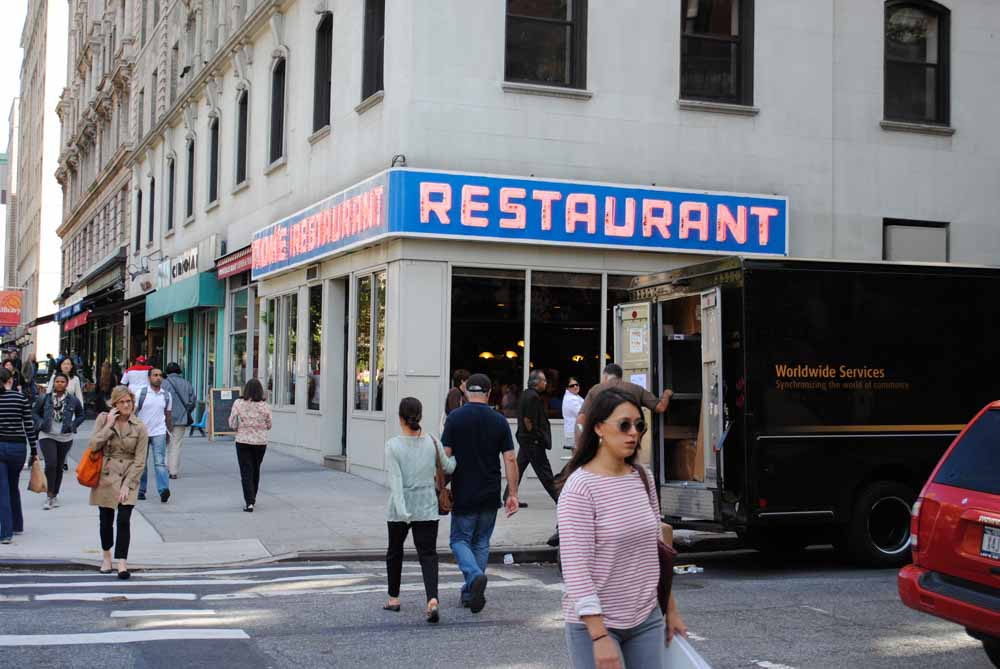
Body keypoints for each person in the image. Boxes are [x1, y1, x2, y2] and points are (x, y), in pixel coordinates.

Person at [558, 388, 688, 668]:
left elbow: (655, 552)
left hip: (646, 618)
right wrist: (599, 635)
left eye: (639, 425)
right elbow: (576, 569)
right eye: (624, 425)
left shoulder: (642, 477)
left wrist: (670, 609)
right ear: (599, 428)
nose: (633, 433)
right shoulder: (580, 489)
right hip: (596, 624)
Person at [441, 373, 519, 613]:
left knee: (459, 540)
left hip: (464, 489)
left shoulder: (454, 418)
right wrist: (512, 493)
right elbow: (510, 458)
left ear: (467, 392)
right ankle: (470, 592)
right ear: (488, 393)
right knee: (481, 542)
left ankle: (474, 576)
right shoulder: (499, 420)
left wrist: (442, 487)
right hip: (490, 490)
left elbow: (445, 456)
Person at [384, 397, 456, 624]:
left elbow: (395, 482)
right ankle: (432, 599)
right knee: (428, 555)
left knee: (395, 552)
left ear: (400, 418)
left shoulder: (393, 445)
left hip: (400, 508)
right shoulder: (432, 441)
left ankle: (393, 598)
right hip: (427, 505)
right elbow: (449, 466)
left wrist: (403, 512)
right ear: (420, 416)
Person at [89, 385, 148, 578]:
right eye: (122, 402)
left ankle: (122, 562)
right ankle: (106, 557)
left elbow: (140, 460)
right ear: (114, 404)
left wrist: (127, 484)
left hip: (129, 475)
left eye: (129, 401)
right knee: (105, 520)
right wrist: (108, 426)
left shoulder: (139, 426)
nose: (126, 405)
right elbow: (93, 445)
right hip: (106, 474)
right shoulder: (103, 419)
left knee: (123, 520)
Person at [576, 364, 673, 447]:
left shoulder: (595, 389)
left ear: (605, 376)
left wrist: (583, 443)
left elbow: (581, 418)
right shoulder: (636, 389)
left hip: (604, 440)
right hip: (629, 440)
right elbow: (660, 407)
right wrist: (667, 393)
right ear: (620, 377)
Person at [505, 369, 559, 508]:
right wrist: (538, 436)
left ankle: (508, 497)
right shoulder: (533, 397)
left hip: (526, 440)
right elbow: (528, 420)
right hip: (533, 442)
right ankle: (561, 499)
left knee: (518, 469)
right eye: (544, 381)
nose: (546, 384)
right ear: (537, 383)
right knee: (545, 473)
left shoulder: (525, 394)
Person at [33, 372, 86, 510]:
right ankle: (49, 496)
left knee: (59, 467)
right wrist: (40, 423)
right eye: (57, 381)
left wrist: (73, 425)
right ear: (54, 383)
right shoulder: (44, 398)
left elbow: (81, 415)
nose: (60, 384)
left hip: (65, 437)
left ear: (67, 384)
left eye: (63, 381)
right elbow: (34, 413)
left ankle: (55, 494)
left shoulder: (73, 400)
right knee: (51, 464)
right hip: (47, 434)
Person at [0, 367, 35, 544]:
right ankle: (17, 524)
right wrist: (34, 451)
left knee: (2, 490)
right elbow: (29, 425)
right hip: (18, 447)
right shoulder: (20, 398)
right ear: (10, 380)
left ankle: (6, 532)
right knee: (13, 486)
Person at [228, 378, 272, 512]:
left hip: (243, 441)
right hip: (260, 442)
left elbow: (232, 423)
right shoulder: (264, 405)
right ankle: (253, 497)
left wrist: (238, 427)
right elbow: (269, 424)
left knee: (246, 471)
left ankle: (249, 501)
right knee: (255, 469)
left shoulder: (238, 403)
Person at [135, 368, 173, 503]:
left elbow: (168, 416)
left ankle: (163, 490)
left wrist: (169, 432)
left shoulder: (166, 395)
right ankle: (141, 490)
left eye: (160, 375)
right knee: (142, 463)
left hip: (159, 432)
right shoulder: (141, 393)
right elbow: (133, 413)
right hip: (142, 433)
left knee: (160, 463)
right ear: (149, 377)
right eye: (155, 375)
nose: (158, 378)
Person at [162, 362, 196, 480]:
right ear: (179, 371)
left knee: (165, 443)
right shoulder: (187, 383)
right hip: (181, 418)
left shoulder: (163, 384)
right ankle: (173, 471)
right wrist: (186, 411)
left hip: (165, 418)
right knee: (176, 444)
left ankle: (165, 466)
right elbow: (192, 401)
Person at [562, 377, 584, 451]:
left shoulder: (575, 396)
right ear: (567, 388)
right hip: (574, 432)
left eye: (576, 384)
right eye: (572, 385)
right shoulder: (571, 399)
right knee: (577, 456)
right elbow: (582, 413)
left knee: (576, 457)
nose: (575, 387)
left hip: (575, 432)